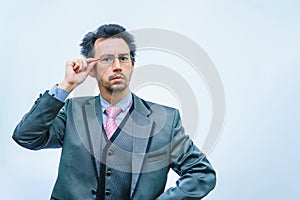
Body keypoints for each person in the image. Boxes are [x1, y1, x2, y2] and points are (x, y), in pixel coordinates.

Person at [13, 24, 216, 200]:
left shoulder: (165, 121)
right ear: (91, 69)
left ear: (132, 65)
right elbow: (26, 137)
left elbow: (201, 173)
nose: (117, 66)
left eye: (123, 58)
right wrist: (66, 85)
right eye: (107, 59)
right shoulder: (73, 111)